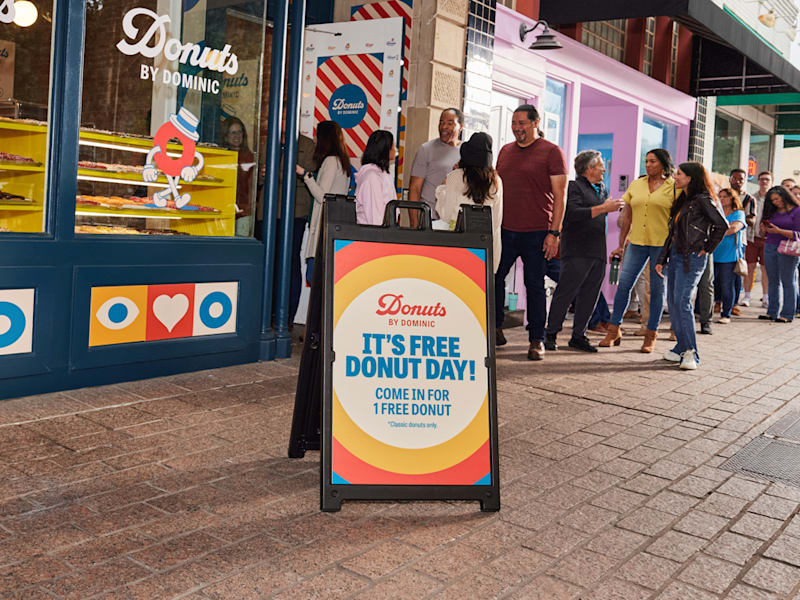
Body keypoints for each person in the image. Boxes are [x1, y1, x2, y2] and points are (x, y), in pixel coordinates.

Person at [494, 104, 567, 361]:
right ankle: (496, 327)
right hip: (504, 230)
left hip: (537, 231)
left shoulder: (551, 152)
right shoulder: (505, 151)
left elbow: (560, 195)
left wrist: (554, 233)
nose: (517, 128)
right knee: (494, 277)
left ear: (535, 123)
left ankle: (537, 339)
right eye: (514, 123)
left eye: (522, 123)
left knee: (534, 285)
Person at [544, 151, 624, 353]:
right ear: (589, 168)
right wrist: (603, 208)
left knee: (591, 295)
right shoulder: (573, 187)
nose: (604, 169)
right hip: (576, 249)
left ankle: (579, 336)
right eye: (600, 166)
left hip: (597, 250)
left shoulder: (602, 189)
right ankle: (551, 334)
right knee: (566, 293)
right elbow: (572, 214)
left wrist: (605, 207)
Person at [601, 149, 675, 353]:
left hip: (661, 245)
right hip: (637, 243)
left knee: (657, 290)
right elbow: (627, 217)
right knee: (624, 285)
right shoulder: (637, 184)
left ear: (663, 164)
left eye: (653, 161)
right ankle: (614, 330)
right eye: (646, 161)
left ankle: (651, 334)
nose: (648, 165)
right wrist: (620, 243)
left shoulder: (673, 187)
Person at [656, 162, 727, 370]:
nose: (675, 177)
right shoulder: (684, 200)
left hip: (692, 258)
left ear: (691, 178)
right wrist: (661, 259)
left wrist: (708, 247)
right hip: (676, 256)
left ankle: (691, 353)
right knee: (674, 302)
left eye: (679, 174)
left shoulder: (703, 200)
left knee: (683, 302)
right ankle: (680, 347)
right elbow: (672, 234)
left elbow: (721, 225)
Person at [435, 132, 503, 272]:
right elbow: (496, 221)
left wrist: (442, 188)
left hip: (458, 248)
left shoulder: (455, 176)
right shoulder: (496, 181)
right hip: (486, 250)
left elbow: (446, 215)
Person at [296, 120, 352, 284]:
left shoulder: (330, 162)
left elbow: (323, 196)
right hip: (334, 226)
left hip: (323, 227)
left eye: (317, 135)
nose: (314, 139)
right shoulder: (342, 162)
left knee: (314, 278)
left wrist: (305, 175)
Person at [408, 108, 463, 227]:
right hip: (429, 219)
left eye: (449, 123)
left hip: (455, 221)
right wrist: (414, 223)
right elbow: (415, 188)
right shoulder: (426, 149)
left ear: (460, 127)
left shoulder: (466, 152)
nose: (444, 127)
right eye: (441, 122)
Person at [758, 186, 800, 322]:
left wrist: (779, 231)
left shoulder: (797, 211)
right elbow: (764, 233)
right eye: (772, 200)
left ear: (785, 196)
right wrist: (764, 229)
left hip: (788, 248)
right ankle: (772, 312)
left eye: (777, 198)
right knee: (773, 281)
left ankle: (787, 314)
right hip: (770, 246)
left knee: (788, 281)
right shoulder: (772, 211)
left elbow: (798, 234)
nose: (775, 202)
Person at [712, 189, 746, 324]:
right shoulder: (716, 211)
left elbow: (733, 229)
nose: (722, 199)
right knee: (711, 285)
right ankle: (702, 311)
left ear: (732, 198)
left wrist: (715, 232)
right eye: (719, 196)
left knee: (727, 285)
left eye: (725, 196)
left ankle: (726, 314)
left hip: (729, 255)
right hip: (713, 253)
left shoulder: (739, 213)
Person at [221, 117, 257, 237]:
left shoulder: (249, 157)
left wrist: (249, 208)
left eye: (239, 132)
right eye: (232, 132)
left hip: (243, 212)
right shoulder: (221, 156)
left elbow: (252, 186)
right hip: (223, 211)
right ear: (225, 136)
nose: (236, 136)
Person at [742, 171, 772, 308]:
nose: (764, 182)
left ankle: (766, 297)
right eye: (761, 179)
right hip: (752, 237)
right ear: (758, 182)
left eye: (767, 179)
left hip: (768, 239)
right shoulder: (751, 198)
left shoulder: (774, 200)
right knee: (749, 267)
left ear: (771, 182)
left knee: (766, 269)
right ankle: (747, 295)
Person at [355, 130, 396, 225]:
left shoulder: (382, 174)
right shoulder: (372, 177)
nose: (395, 149)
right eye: (393, 146)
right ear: (385, 149)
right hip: (372, 235)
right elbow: (375, 217)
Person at [728, 169, 751, 313]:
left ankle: (734, 303)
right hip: (722, 240)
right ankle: (717, 301)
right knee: (719, 273)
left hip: (739, 240)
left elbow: (752, 219)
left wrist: (738, 218)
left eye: (741, 179)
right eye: (734, 178)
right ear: (730, 179)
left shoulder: (749, 198)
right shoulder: (723, 194)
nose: (737, 181)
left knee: (735, 271)